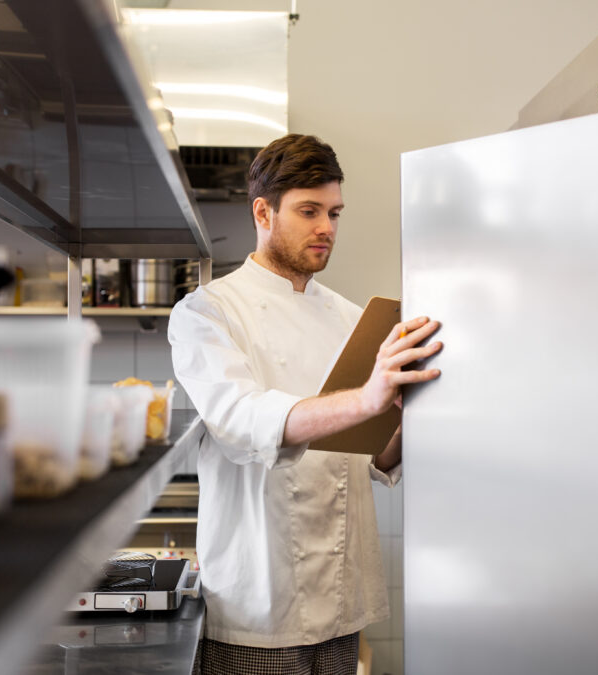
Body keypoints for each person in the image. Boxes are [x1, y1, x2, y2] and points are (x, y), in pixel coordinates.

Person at [168, 133, 442, 675]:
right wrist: (366, 398)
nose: (326, 228)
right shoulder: (207, 312)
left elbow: (376, 456)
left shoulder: (351, 317)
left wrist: (416, 408)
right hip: (258, 607)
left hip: (342, 603)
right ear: (263, 212)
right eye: (309, 211)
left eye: (334, 213)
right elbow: (241, 420)